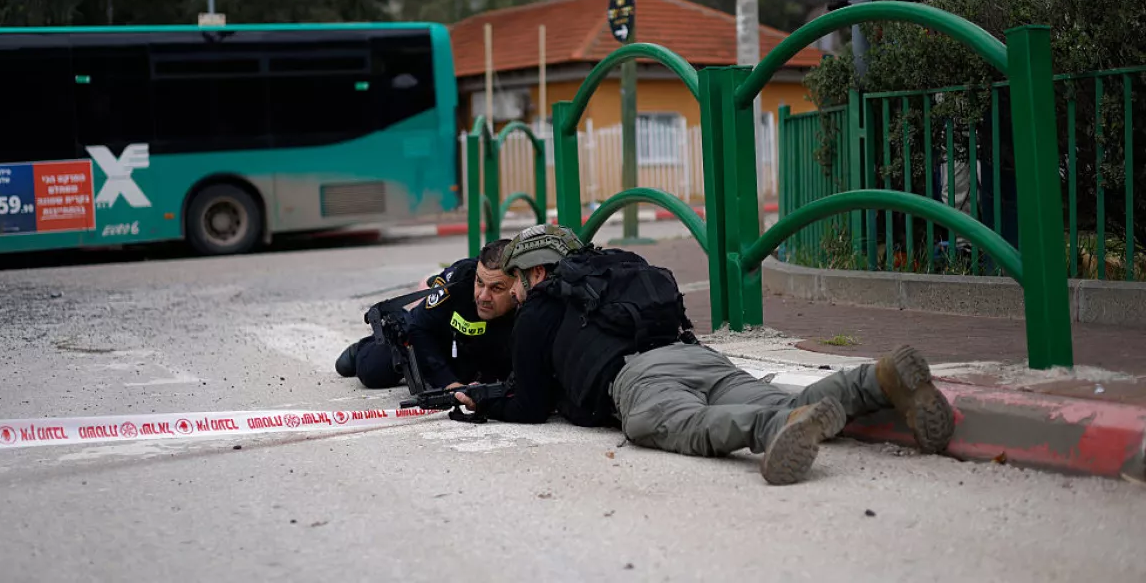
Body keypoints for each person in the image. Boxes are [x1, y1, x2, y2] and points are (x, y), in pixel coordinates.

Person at [456, 224, 955, 486]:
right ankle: (876, 381)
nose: (515, 291)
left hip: (638, 380)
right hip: (695, 355)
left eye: (516, 279)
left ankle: (774, 432)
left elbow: (529, 406)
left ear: (536, 273)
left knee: (680, 424)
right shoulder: (616, 269)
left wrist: (483, 401)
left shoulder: (540, 306)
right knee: (783, 398)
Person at [335, 238, 518, 390]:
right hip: (435, 341)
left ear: (518, 286)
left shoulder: (529, 301)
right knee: (372, 371)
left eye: (497, 288)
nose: (483, 296)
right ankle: (366, 344)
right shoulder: (460, 276)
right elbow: (419, 328)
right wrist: (448, 383)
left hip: (477, 354)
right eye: (479, 283)